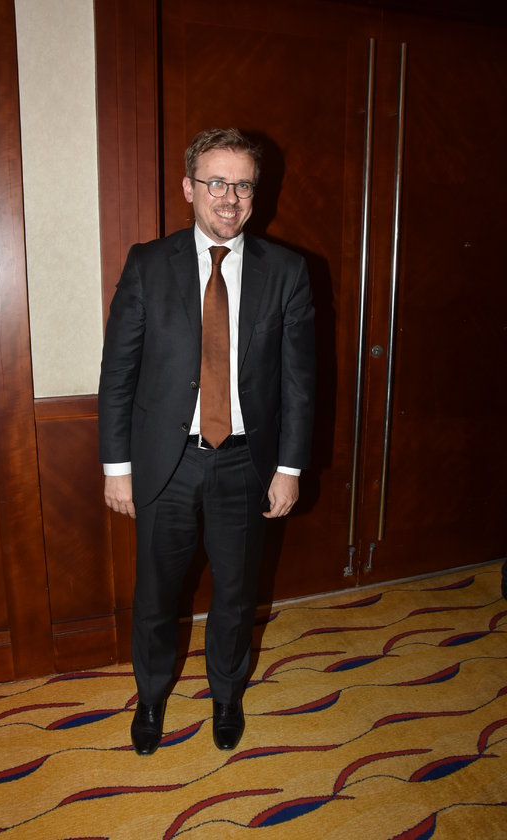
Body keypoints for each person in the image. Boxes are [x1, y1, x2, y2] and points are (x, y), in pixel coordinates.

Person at [98, 128, 316, 756]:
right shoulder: (148, 264)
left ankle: (226, 695)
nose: (229, 197)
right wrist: (117, 467)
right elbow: (119, 373)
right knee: (156, 597)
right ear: (189, 188)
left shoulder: (287, 272)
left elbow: (300, 382)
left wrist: (290, 468)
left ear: (255, 193)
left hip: (246, 464)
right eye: (216, 182)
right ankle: (151, 697)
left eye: (242, 185)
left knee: (237, 596)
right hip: (165, 466)